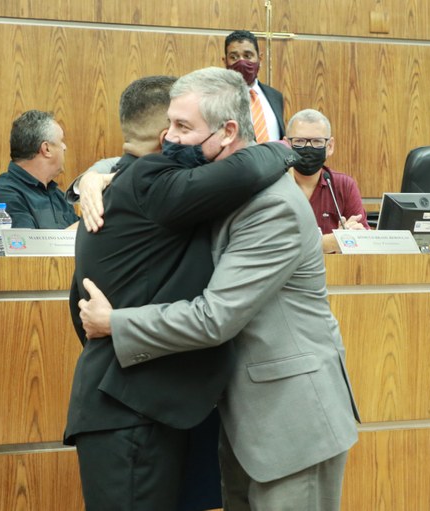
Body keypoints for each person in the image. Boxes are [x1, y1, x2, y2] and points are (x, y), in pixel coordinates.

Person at [77, 71, 359, 511]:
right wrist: (96, 177)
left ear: (227, 132)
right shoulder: (219, 186)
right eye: (168, 125)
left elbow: (215, 317)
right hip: (246, 421)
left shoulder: (272, 207)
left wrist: (114, 322)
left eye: (182, 127)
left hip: (291, 420)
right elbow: (148, 173)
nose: (168, 138)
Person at [0, 110, 79, 255]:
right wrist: (83, 227)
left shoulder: (58, 196)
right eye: (61, 141)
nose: (64, 147)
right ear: (46, 149)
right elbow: (26, 251)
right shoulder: (3, 195)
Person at [286, 109, 369, 253]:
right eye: (299, 141)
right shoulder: (273, 186)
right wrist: (332, 242)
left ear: (329, 146)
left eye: (317, 142)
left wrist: (354, 235)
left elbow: (364, 242)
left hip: (336, 267)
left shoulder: (344, 185)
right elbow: (273, 246)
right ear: (287, 145)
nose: (308, 147)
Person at [223, 30, 284, 141]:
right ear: (225, 61)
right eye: (234, 57)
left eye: (247, 56)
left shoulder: (275, 96)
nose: (241, 62)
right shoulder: (217, 98)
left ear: (260, 59)